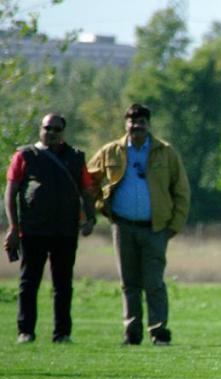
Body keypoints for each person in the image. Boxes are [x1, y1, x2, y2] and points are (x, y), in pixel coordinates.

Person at [87, 104, 190, 346]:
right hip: (122, 226)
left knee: (154, 282)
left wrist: (174, 225)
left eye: (142, 121)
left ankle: (159, 332)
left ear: (148, 124)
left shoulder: (165, 152)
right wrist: (98, 206)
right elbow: (89, 180)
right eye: (132, 121)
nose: (137, 125)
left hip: (155, 227)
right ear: (126, 124)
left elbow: (182, 191)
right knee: (129, 283)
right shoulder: (111, 151)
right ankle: (132, 333)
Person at [4, 113, 96, 344]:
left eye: (56, 129)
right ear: (40, 129)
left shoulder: (76, 157)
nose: (51, 132)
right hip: (33, 229)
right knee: (29, 283)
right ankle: (25, 331)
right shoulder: (25, 155)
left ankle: (62, 333)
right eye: (48, 128)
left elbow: (86, 190)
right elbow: (11, 191)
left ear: (63, 132)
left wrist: (90, 218)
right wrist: (13, 227)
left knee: (63, 284)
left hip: (65, 230)